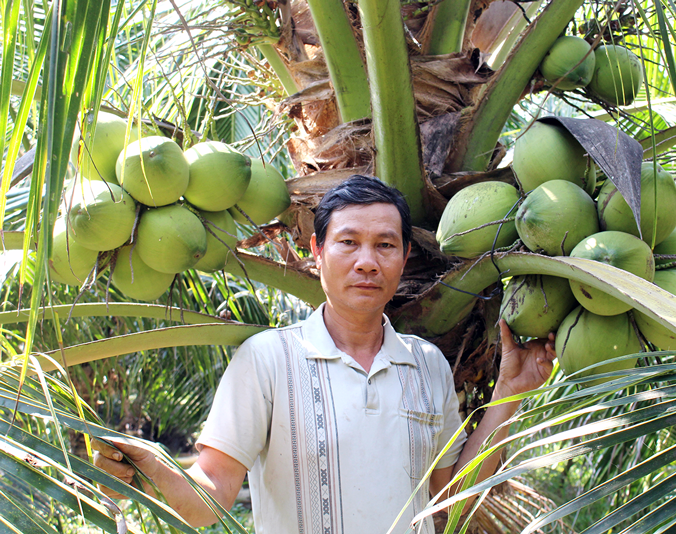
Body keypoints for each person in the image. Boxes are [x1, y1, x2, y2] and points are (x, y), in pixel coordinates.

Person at [92, 175, 556, 533]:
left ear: (404, 256)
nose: (367, 261)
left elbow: (450, 499)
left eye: (385, 245)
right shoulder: (267, 360)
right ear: (316, 252)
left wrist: (511, 390)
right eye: (348, 242)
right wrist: (154, 470)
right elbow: (209, 499)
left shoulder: (427, 365)